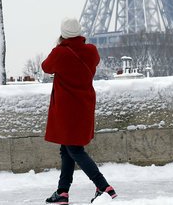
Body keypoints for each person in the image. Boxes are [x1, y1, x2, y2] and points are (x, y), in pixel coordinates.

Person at [42, 18, 117, 204]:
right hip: (84, 106)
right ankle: (62, 192)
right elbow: (94, 61)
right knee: (67, 148)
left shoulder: (59, 53)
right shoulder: (91, 51)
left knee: (74, 149)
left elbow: (45, 67)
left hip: (66, 110)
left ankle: (103, 185)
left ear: (63, 33)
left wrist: (59, 47)